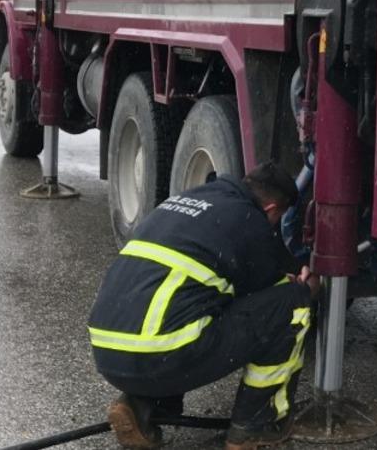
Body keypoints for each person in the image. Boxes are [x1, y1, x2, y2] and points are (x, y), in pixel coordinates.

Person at [87, 161, 318, 450]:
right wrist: (305, 285)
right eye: (277, 218)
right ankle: (255, 425)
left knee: (189, 303)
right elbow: (271, 291)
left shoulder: (188, 200)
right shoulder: (249, 220)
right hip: (159, 351)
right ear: (272, 209)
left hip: (108, 351)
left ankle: (141, 406)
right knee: (291, 303)